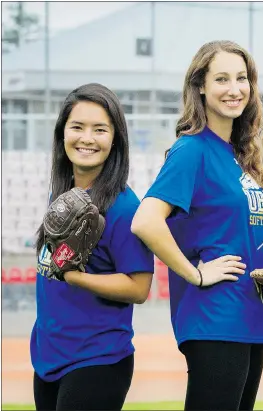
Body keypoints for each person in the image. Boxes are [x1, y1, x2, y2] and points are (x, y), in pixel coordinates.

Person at [131, 40, 263, 411]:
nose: (234, 89)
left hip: (250, 313)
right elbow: (146, 221)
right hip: (216, 315)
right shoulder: (192, 149)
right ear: (200, 86)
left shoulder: (240, 156)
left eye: (242, 78)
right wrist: (195, 274)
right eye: (222, 79)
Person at [31, 83, 155, 411]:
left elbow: (140, 287)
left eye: (100, 129)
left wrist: (78, 278)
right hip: (47, 355)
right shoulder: (61, 196)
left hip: (96, 359)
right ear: (62, 134)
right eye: (77, 127)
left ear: (115, 139)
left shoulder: (125, 207)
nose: (87, 138)